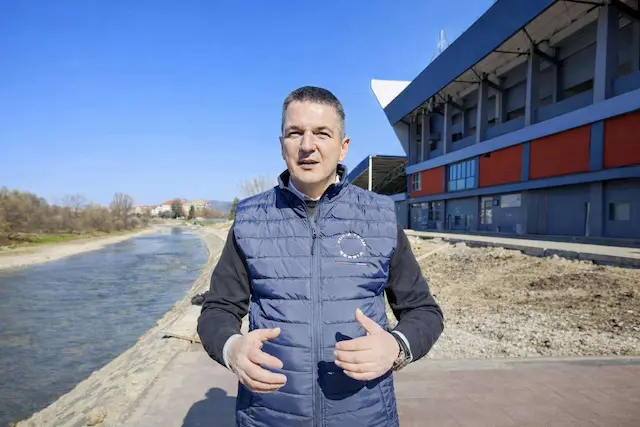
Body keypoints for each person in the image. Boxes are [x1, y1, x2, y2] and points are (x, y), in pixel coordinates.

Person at [198, 86, 444, 427]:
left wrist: (396, 346)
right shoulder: (250, 220)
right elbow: (218, 309)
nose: (307, 145)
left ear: (343, 146)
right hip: (269, 416)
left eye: (322, 133)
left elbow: (424, 311)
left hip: (365, 415)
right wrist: (231, 348)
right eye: (295, 133)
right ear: (281, 144)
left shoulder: (380, 216)